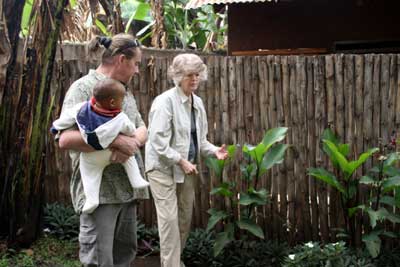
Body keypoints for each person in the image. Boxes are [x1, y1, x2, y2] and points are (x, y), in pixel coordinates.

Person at [56, 34, 148, 267]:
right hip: (100, 196)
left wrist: (132, 143)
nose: (137, 70)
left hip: (127, 191)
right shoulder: (84, 88)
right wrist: (116, 142)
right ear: (120, 60)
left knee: (124, 258)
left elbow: (141, 127)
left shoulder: (123, 92)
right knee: (99, 261)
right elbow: (65, 139)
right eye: (136, 63)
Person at [145, 53, 228, 267]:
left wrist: (214, 150)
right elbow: (157, 141)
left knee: (183, 221)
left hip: (187, 170)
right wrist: (180, 160)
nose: (194, 79)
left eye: (197, 75)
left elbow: (199, 140)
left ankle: (174, 262)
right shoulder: (164, 102)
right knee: (169, 223)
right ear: (178, 76)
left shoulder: (197, 103)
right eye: (189, 75)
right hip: (162, 169)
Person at [51, 78, 149, 214]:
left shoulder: (83, 108)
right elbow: (131, 130)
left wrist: (56, 127)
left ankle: (91, 199)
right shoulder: (119, 118)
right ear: (113, 102)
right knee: (129, 158)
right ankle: (136, 179)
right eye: (122, 101)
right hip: (109, 150)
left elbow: (67, 118)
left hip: (92, 152)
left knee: (89, 174)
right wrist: (129, 138)